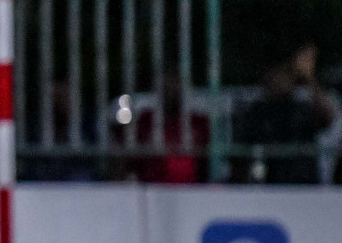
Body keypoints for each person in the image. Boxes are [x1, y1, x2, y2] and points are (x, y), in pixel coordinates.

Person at [234, 44, 336, 185]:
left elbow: (328, 118)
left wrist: (309, 79)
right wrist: (295, 71)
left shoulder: (303, 107)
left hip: (304, 181)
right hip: (270, 181)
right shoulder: (258, 109)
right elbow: (275, 89)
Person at [128, 74, 210, 184]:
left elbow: (208, 159)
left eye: (176, 88)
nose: (171, 92)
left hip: (192, 189)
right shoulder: (146, 121)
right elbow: (132, 156)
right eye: (167, 88)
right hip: (152, 187)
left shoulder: (198, 122)